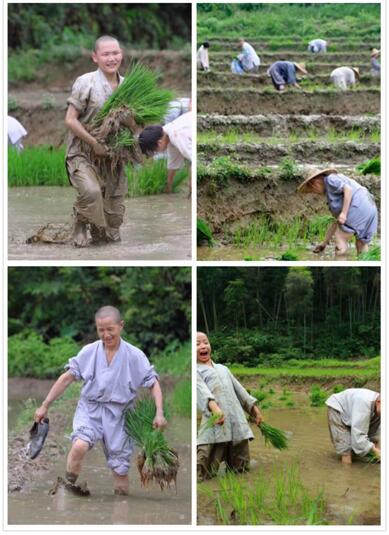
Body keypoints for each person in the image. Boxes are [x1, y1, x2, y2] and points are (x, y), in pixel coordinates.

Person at [34, 306, 167, 495]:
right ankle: (67, 488)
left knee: (120, 472)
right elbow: (66, 378)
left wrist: (159, 413)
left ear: (121, 326)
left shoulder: (135, 355)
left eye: (110, 329)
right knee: (79, 445)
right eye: (101, 330)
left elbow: (153, 383)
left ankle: (121, 511)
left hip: (121, 415)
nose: (106, 335)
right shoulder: (89, 351)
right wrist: (44, 405)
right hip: (90, 408)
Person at [65, 35, 130, 248]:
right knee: (91, 192)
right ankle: (80, 222)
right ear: (95, 57)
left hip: (112, 157)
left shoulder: (128, 86)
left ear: (121, 54)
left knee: (111, 231)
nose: (112, 58)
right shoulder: (86, 82)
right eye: (106, 54)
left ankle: (97, 226)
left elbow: (134, 126)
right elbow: (70, 120)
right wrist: (94, 143)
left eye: (115, 53)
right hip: (83, 152)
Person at [196, 332, 263, 481]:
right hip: (214, 422)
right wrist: (215, 410)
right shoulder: (196, 371)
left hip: (236, 421)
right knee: (201, 467)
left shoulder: (223, 368)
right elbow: (202, 391)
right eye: (197, 344)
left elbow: (240, 391)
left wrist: (254, 410)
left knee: (240, 469)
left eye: (205, 342)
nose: (203, 346)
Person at [298, 167, 378, 256]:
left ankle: (340, 263)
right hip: (370, 207)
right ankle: (364, 265)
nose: (315, 193)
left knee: (340, 239)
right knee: (361, 243)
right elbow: (337, 222)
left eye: (313, 191)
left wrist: (344, 213)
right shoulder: (334, 190)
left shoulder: (330, 179)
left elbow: (348, 189)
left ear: (314, 183)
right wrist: (324, 243)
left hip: (358, 206)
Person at [138, 111, 192, 194]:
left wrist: (191, 190)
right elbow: (172, 165)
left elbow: (194, 160)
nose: (157, 152)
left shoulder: (177, 135)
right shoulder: (168, 133)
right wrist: (168, 189)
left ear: (159, 143)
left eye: (155, 151)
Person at [325, 388, 380, 464]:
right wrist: (376, 451)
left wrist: (377, 454)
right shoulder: (364, 403)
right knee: (346, 449)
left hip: (353, 408)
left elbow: (374, 434)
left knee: (373, 440)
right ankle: (346, 472)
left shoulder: (380, 409)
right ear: (378, 402)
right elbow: (358, 436)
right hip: (338, 408)